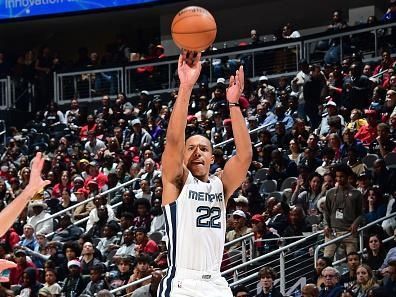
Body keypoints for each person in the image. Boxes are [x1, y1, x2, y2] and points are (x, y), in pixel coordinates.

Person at [159, 51, 252, 297]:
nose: (197, 153)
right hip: (182, 282)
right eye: (191, 148)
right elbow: (174, 140)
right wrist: (186, 86)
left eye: (204, 148)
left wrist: (233, 104)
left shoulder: (220, 186)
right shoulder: (176, 181)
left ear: (212, 158)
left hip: (215, 283)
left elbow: (244, 157)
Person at [323, 164, 364, 258]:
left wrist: (356, 223)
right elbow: (326, 212)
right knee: (326, 259)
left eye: (341, 176)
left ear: (347, 176)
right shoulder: (330, 193)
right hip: (332, 233)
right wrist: (325, 225)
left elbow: (361, 214)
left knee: (353, 260)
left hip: (349, 233)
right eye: (337, 176)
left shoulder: (356, 193)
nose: (339, 179)